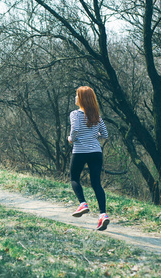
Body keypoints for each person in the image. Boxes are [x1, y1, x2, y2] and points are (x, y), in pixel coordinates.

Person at [68, 86, 109, 231]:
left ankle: (83, 204)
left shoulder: (75, 114)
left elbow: (75, 129)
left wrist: (71, 139)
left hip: (80, 151)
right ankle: (103, 215)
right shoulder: (96, 116)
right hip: (96, 152)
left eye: (77, 95)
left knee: (74, 178)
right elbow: (104, 135)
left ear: (82, 99)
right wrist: (92, 136)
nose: (75, 98)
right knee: (96, 184)